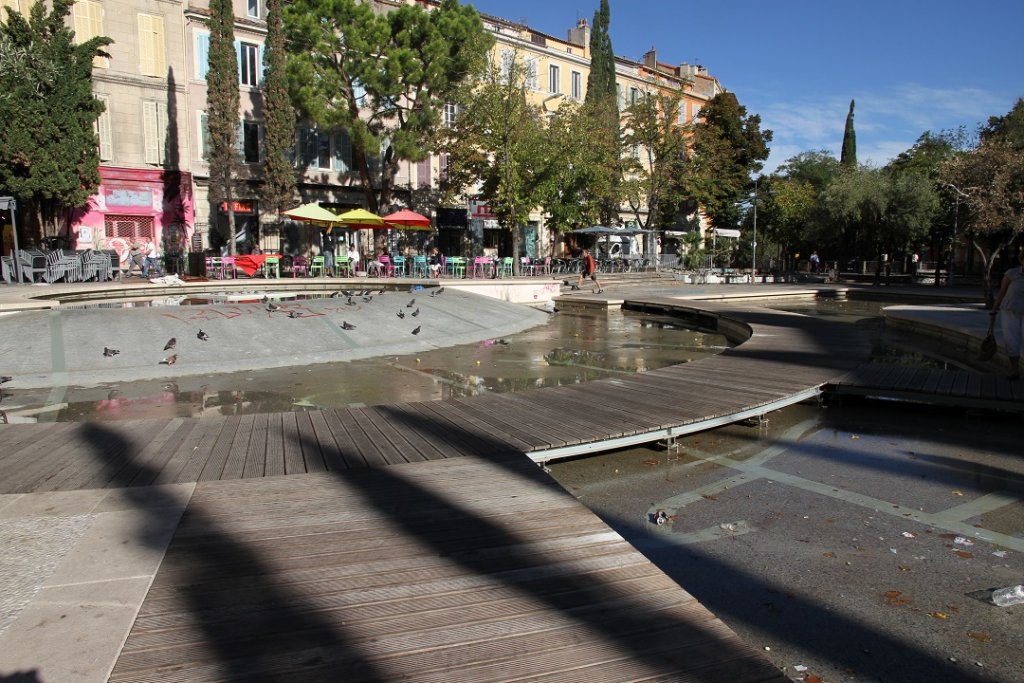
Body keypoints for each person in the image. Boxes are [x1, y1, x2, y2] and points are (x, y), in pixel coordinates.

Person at [991, 250, 1024, 381]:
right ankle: (1014, 371)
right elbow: (1001, 292)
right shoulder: (1012, 273)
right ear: (1021, 260)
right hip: (1010, 311)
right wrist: (993, 310)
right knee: (1011, 341)